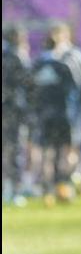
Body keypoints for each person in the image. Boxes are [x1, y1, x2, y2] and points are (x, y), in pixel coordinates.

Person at [30, 34, 80, 206]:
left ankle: (47, 189)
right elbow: (74, 90)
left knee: (46, 152)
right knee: (64, 151)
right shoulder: (62, 66)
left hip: (44, 116)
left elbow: (29, 91)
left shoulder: (36, 67)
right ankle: (62, 186)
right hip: (62, 115)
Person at [49, 22, 81, 194]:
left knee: (71, 147)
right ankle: (62, 182)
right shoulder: (51, 57)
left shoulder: (75, 56)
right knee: (56, 148)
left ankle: (69, 180)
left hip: (73, 111)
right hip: (56, 111)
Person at [3, 25, 34, 207]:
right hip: (14, 110)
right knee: (15, 149)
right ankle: (14, 190)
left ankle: (7, 188)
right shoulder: (17, 56)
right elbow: (30, 83)